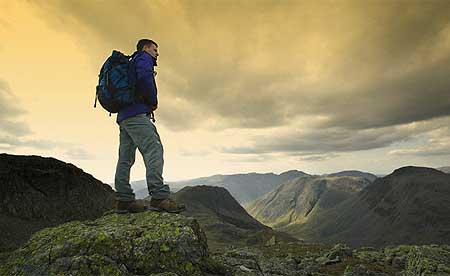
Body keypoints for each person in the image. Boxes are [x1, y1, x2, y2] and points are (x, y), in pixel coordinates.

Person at [114, 38, 185, 213]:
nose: (157, 53)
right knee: (154, 148)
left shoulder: (130, 63)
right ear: (146, 48)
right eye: (155, 49)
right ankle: (159, 197)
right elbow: (146, 77)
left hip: (124, 116)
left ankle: (123, 200)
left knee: (125, 157)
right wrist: (153, 101)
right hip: (137, 114)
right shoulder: (143, 58)